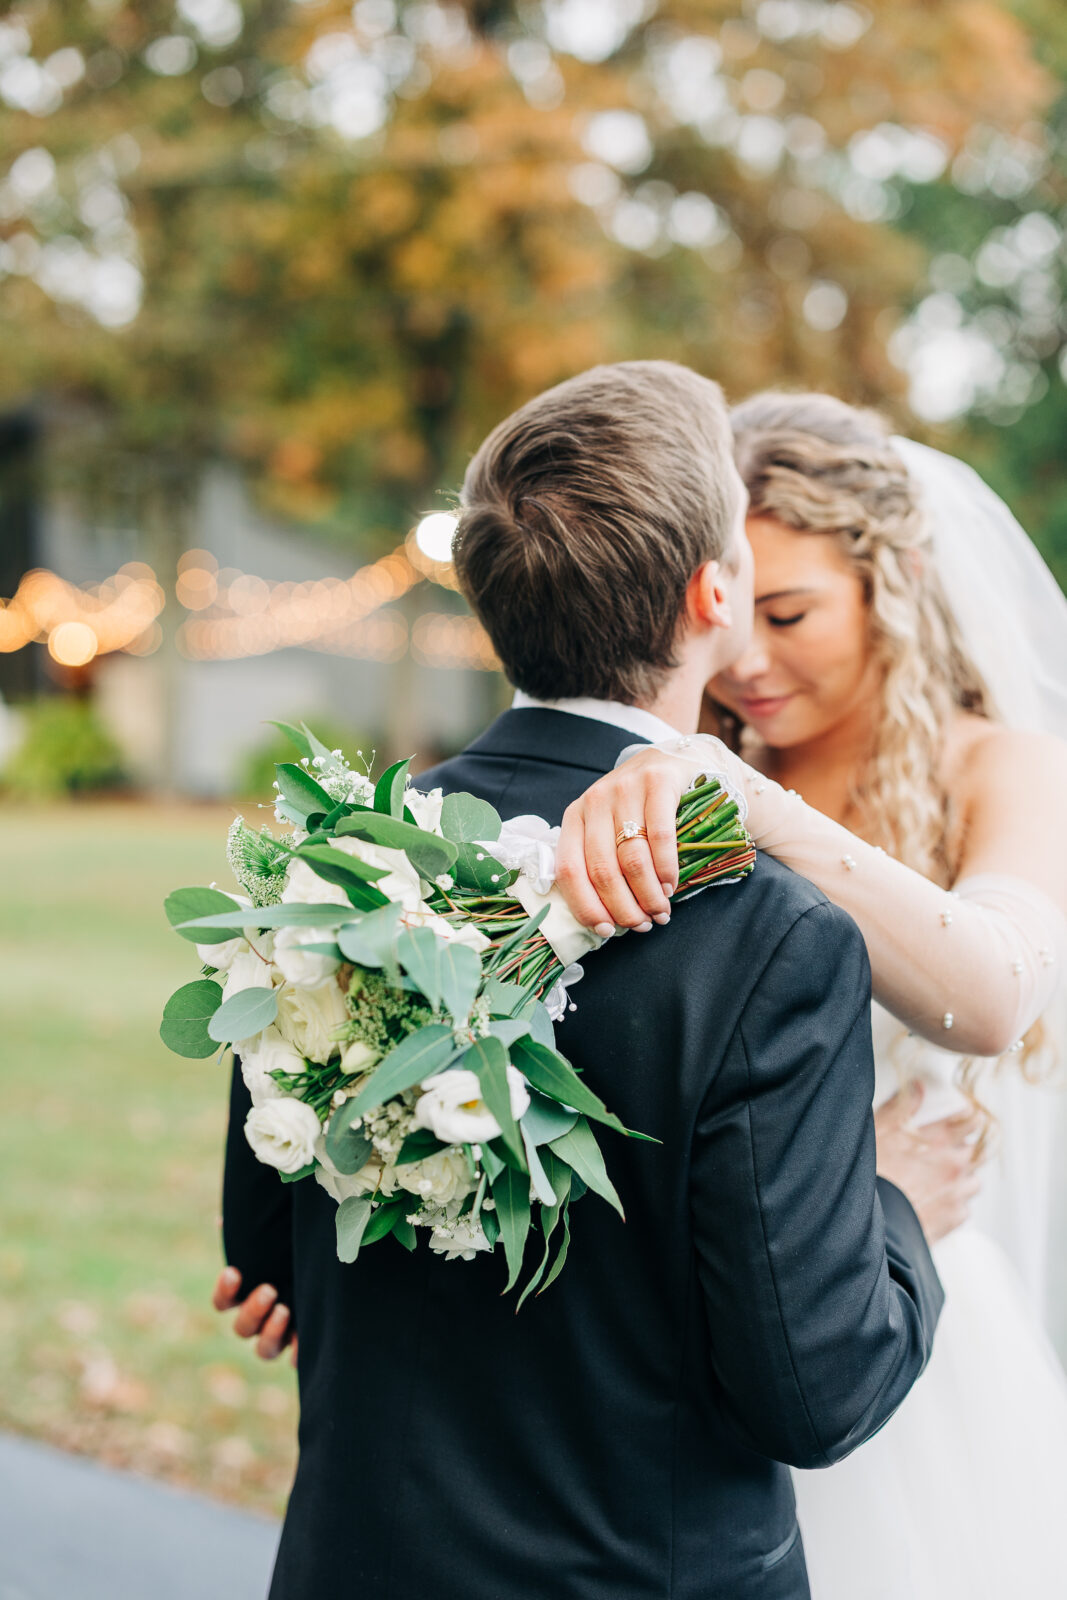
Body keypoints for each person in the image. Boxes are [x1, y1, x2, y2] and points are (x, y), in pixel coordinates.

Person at [216, 363, 948, 1600]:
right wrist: (899, 1208)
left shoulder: (342, 875)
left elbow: (266, 1248)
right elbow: (816, 1392)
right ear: (715, 591)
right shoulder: (769, 936)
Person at [552, 391, 1067, 1600]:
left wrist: (762, 809)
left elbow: (995, 989)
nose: (746, 662)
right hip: (698, 1323)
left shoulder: (999, 765)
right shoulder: (677, 760)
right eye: (736, 613)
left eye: (791, 615)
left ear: (892, 579)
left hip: (900, 1314)